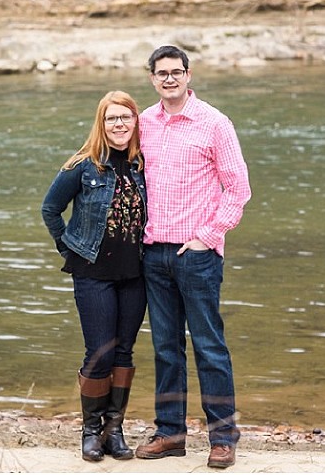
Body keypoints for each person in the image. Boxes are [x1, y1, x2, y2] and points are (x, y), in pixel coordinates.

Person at [133, 45, 252, 469]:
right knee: (166, 347)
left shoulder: (215, 123)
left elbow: (238, 190)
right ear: (152, 78)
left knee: (209, 346)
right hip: (153, 254)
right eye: (161, 73)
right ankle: (170, 433)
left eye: (176, 72)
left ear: (188, 75)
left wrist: (209, 235)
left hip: (197, 254)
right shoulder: (143, 123)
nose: (169, 79)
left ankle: (223, 438)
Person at [41, 90, 147, 463]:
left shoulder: (143, 164)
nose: (119, 124)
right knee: (99, 352)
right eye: (111, 118)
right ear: (101, 124)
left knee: (123, 352)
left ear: (136, 122)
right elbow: (50, 209)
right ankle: (89, 432)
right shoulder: (83, 165)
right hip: (92, 273)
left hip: (136, 274)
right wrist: (68, 248)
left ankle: (113, 431)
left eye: (126, 117)